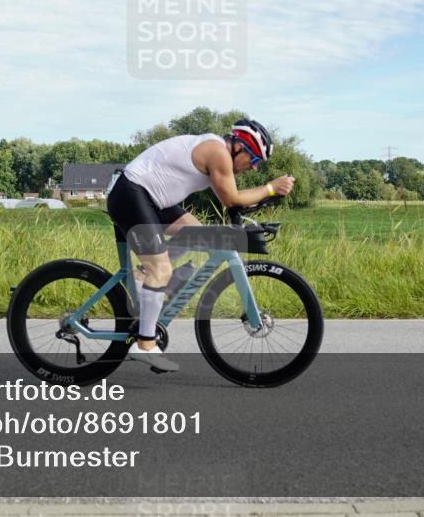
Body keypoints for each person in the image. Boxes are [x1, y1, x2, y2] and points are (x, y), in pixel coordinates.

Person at [105, 118, 295, 372]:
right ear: (240, 147)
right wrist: (271, 188)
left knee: (201, 235)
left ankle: (143, 278)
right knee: (161, 271)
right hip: (132, 195)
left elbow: (235, 202)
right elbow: (232, 198)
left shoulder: (219, 153)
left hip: (150, 199)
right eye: (254, 160)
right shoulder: (218, 153)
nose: (253, 167)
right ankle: (145, 344)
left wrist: (262, 200)